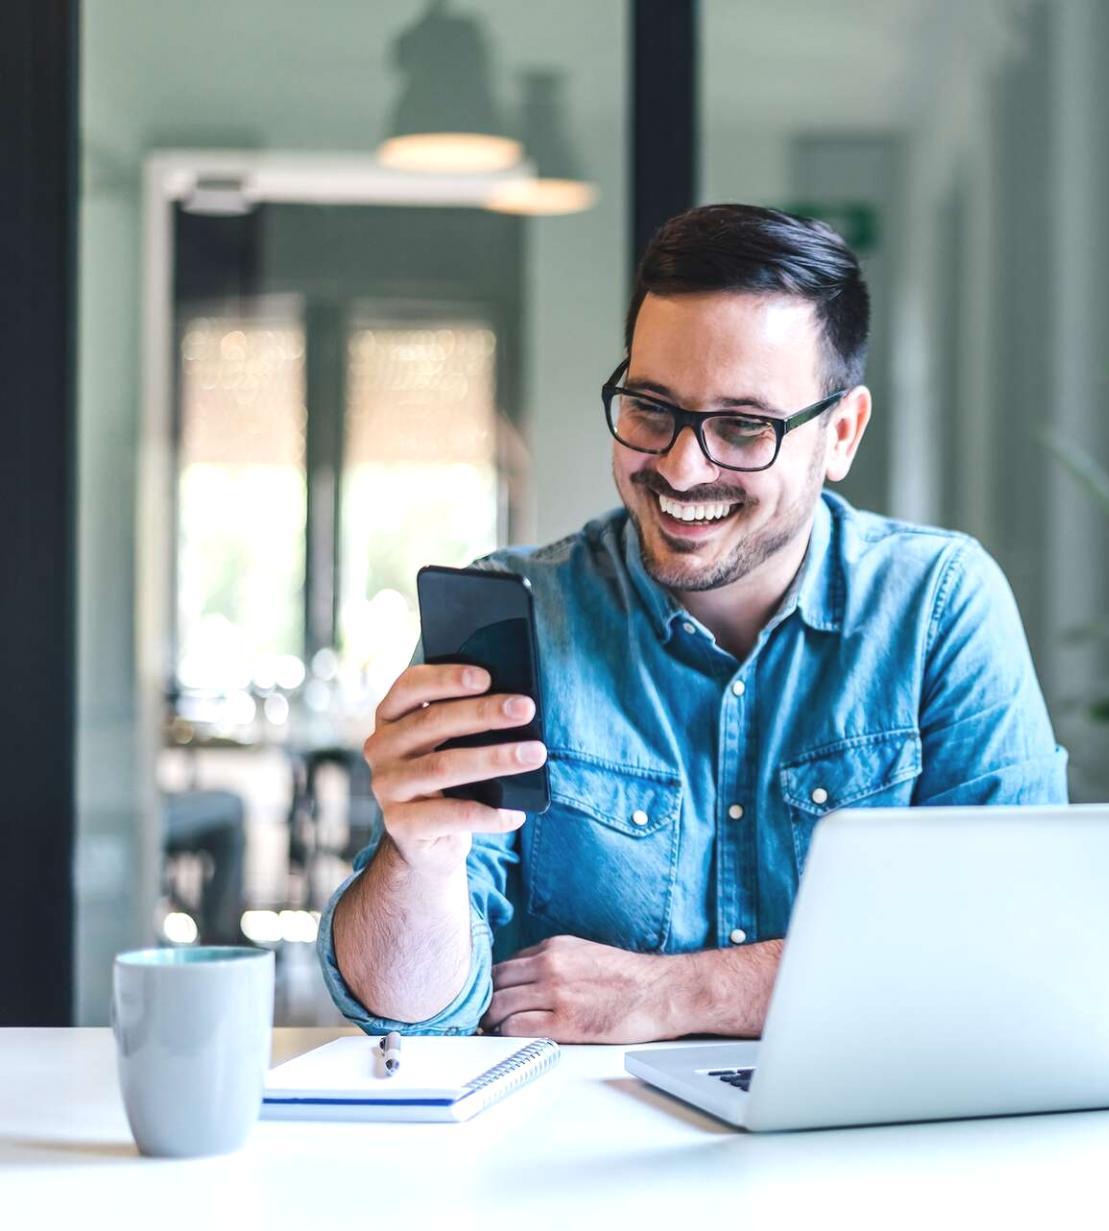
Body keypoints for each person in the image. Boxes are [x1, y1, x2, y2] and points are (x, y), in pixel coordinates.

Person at [318, 204, 1067, 1043]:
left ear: (842, 434)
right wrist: (417, 853)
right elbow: (405, 1015)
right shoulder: (521, 615)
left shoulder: (936, 605)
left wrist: (679, 992)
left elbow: (1011, 946)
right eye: (650, 408)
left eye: (744, 426)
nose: (680, 466)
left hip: (863, 1152)